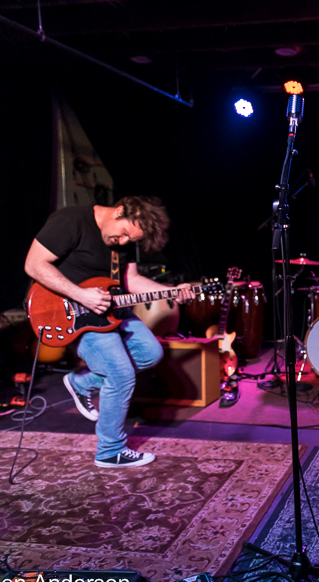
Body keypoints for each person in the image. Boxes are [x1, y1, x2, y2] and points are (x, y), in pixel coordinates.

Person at [25, 196, 195, 467]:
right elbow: (34, 264)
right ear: (119, 211)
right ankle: (110, 450)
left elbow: (130, 280)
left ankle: (82, 383)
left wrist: (172, 292)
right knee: (120, 374)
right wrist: (80, 294)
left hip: (109, 308)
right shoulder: (71, 220)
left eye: (131, 240)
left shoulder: (123, 242)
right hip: (69, 312)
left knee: (150, 353)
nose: (124, 241)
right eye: (124, 233)